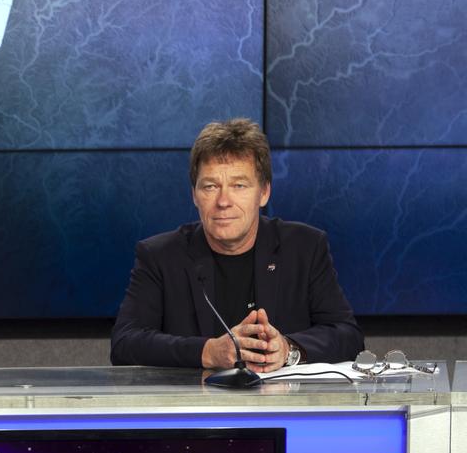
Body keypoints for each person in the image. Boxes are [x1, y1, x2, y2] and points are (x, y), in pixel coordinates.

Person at [110, 118, 362, 371]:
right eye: (210, 186)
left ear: (263, 193)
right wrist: (207, 352)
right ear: (194, 195)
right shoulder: (160, 256)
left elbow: (349, 337)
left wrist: (288, 349)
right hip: (195, 407)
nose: (223, 201)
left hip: (281, 406)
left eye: (239, 185)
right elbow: (124, 343)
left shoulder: (304, 248)